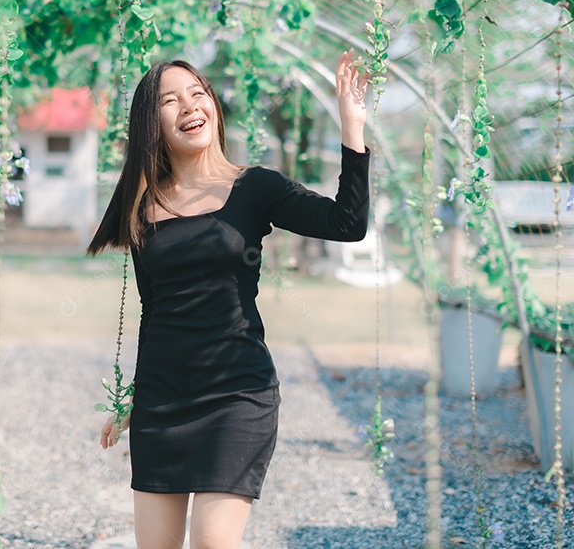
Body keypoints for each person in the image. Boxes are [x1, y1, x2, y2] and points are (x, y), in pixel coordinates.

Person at [88, 52, 371, 549]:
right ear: (150, 123)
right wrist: (134, 394)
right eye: (169, 101)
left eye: (197, 93)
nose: (189, 106)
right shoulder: (143, 204)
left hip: (237, 397)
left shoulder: (255, 187)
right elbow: (155, 311)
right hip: (163, 404)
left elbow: (347, 224)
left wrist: (351, 123)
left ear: (214, 107)